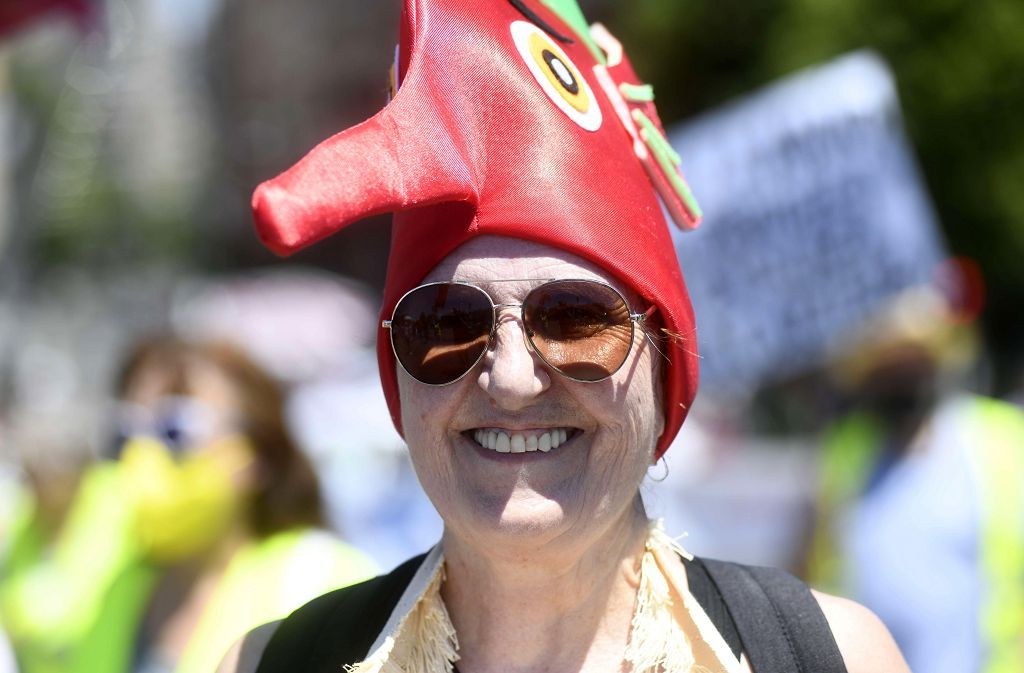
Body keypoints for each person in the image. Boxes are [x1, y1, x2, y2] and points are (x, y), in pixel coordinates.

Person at [221, 1, 910, 671]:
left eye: (577, 319)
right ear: (397, 375)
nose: (512, 379)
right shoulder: (270, 664)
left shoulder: (828, 656)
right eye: (448, 324)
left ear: (664, 358)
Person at [1, 337, 377, 673]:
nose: (142, 455)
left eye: (174, 430)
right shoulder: (108, 584)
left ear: (254, 453)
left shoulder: (326, 579)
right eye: (125, 434)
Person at [809, 286, 1024, 673]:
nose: (903, 381)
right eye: (889, 369)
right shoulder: (847, 452)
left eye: (913, 364)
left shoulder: (1001, 439)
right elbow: (819, 560)